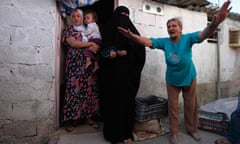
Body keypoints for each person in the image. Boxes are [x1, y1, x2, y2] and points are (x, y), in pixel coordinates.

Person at [118, 1, 231, 144]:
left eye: (174, 26)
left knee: (191, 106)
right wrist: (133, 36)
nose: (171, 28)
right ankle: (174, 132)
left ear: (180, 28)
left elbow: (203, 35)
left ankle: (192, 129)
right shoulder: (165, 42)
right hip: (172, 80)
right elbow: (148, 42)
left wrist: (214, 24)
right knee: (173, 108)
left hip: (189, 77)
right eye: (169, 27)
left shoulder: (188, 38)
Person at [98, 6, 146, 144]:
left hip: (127, 77)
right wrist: (110, 54)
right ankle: (112, 135)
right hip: (111, 76)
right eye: (121, 15)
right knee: (112, 103)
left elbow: (140, 50)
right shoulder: (108, 31)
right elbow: (102, 51)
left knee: (127, 104)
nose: (123, 19)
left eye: (126, 15)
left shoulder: (132, 33)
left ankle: (126, 134)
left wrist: (128, 53)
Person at [61, 8, 101, 132]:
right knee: (74, 91)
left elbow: (97, 44)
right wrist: (89, 45)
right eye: (73, 16)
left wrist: (96, 47)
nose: (76, 18)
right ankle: (74, 120)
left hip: (87, 66)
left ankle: (88, 118)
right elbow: (73, 44)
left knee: (88, 91)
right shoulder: (69, 29)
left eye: (78, 16)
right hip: (74, 66)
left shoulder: (88, 29)